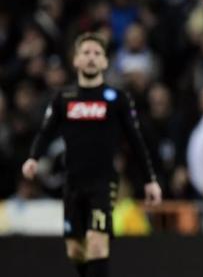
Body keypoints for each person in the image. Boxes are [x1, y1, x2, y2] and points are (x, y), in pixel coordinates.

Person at [21, 32, 162, 277]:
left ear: (105, 62)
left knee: (97, 243)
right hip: (73, 181)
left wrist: (150, 179)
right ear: (75, 61)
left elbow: (136, 141)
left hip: (103, 181)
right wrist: (33, 157)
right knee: (75, 249)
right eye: (86, 53)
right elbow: (46, 132)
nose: (91, 58)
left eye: (97, 54)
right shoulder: (63, 99)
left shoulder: (116, 99)